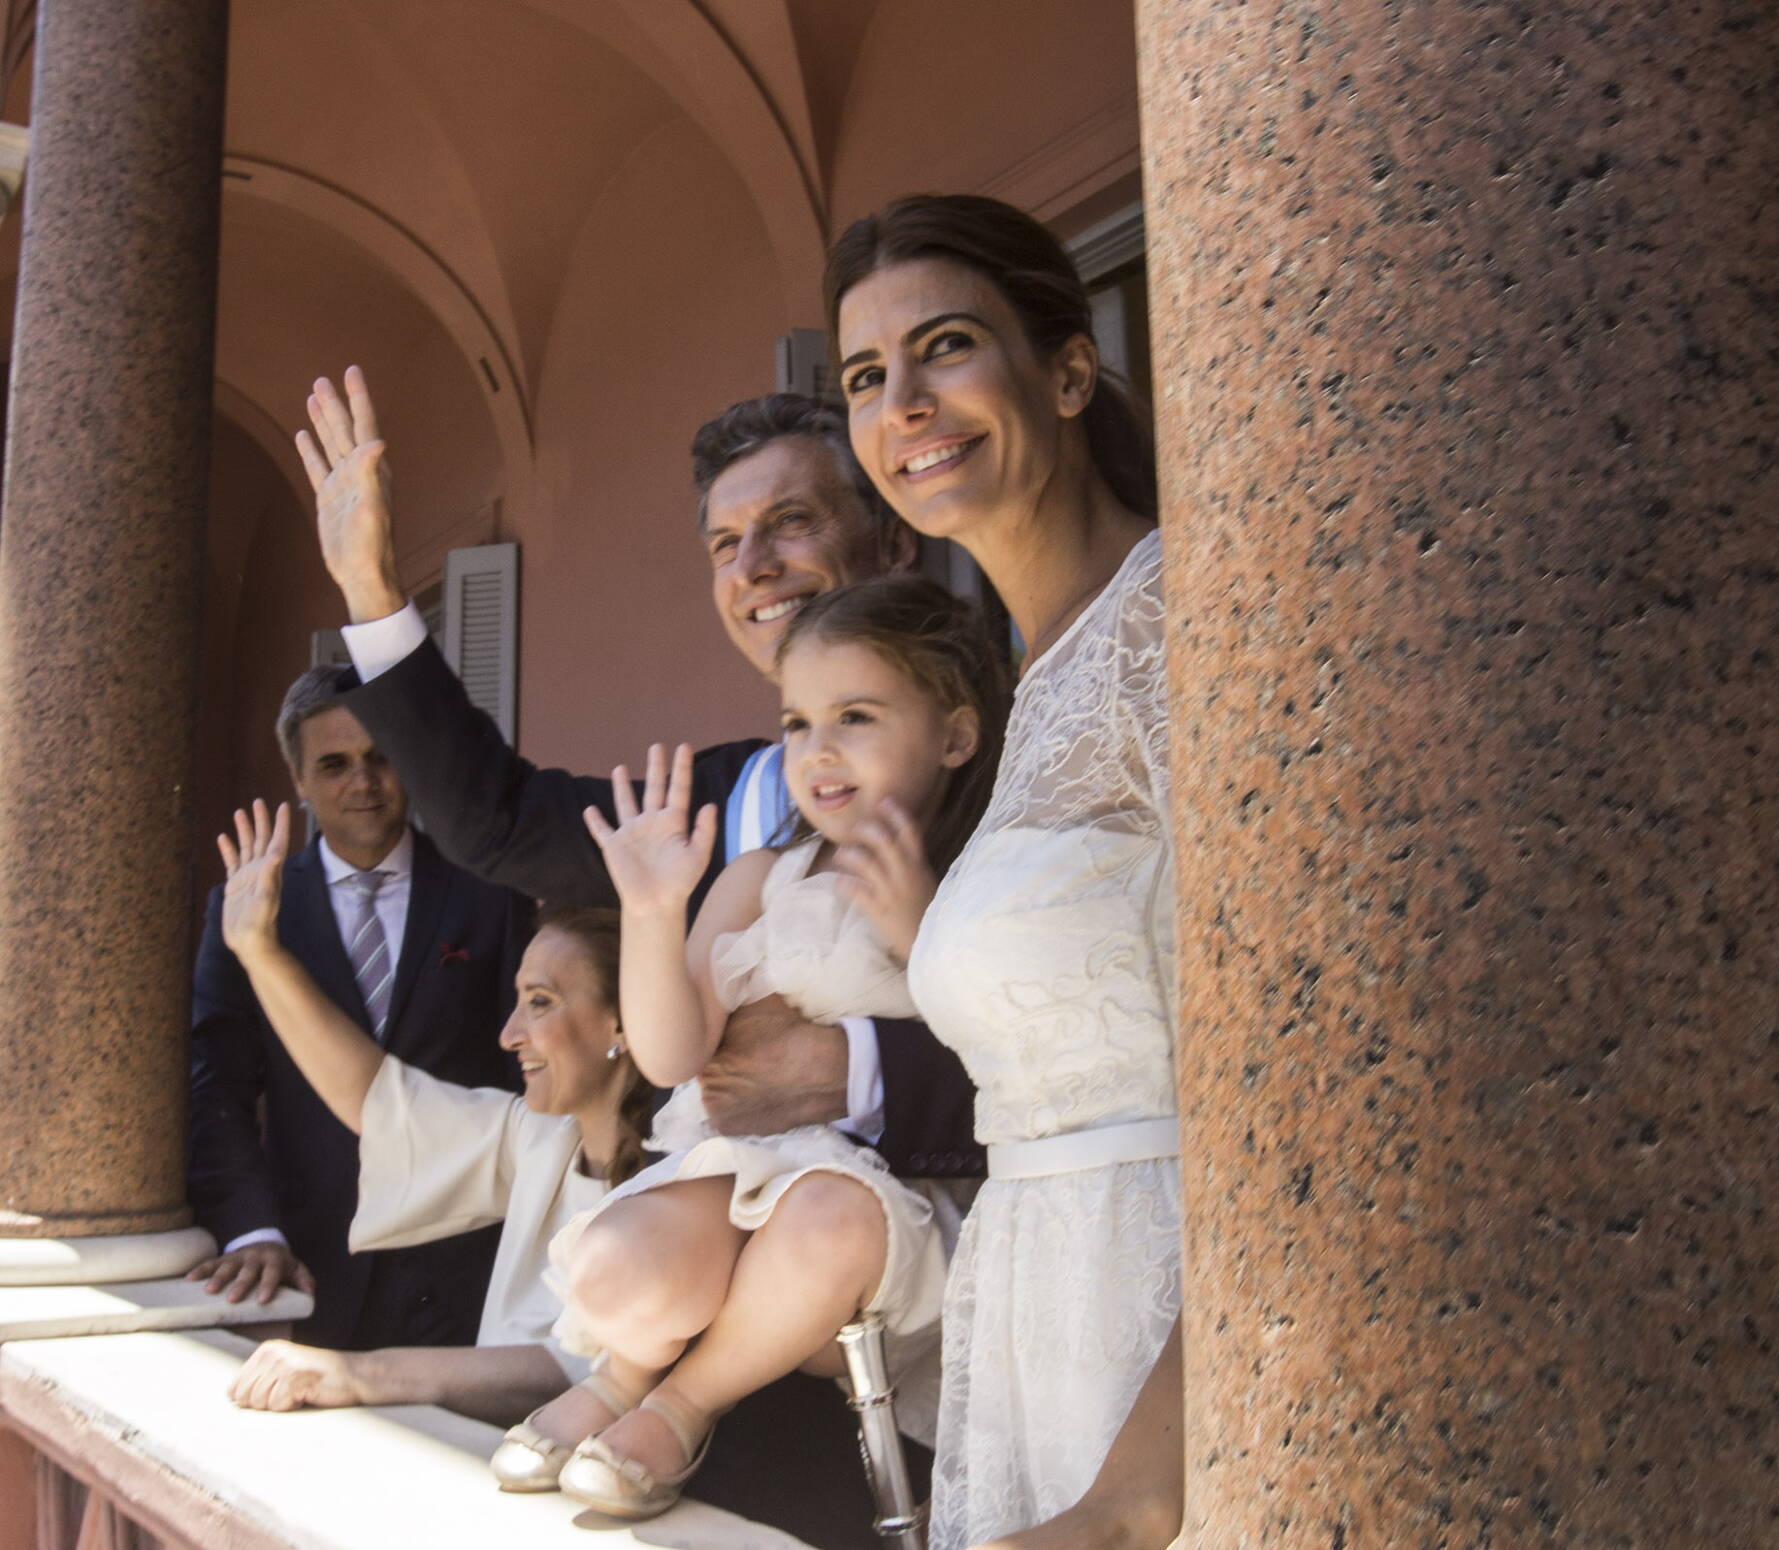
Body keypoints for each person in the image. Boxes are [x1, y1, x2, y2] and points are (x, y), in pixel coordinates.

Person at [297, 372, 981, 1178]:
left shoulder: (994, 776)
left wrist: (858, 1068)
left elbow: (1084, 1042)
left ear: (894, 543)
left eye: (791, 521)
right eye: (725, 544)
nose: (753, 566)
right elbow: (495, 821)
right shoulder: (692, 815)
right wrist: (372, 591)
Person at [826, 194, 1183, 1550]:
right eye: (867, 378)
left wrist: (1134, 1498)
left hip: (1172, 1354)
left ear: (1069, 371)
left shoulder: (1174, 624)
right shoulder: (1028, 682)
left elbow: (1312, 1079)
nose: (904, 403)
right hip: (1042, 1316)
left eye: (948, 347)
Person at [514, 576, 1010, 1521]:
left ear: (954, 734)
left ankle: (679, 1404)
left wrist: (919, 933)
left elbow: (996, 1042)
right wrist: (654, 916)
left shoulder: (975, 876)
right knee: (613, 1269)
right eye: (795, 723)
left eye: (855, 716)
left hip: (876, 1212)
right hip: (738, 1172)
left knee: (828, 1219)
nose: (817, 751)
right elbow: (669, 1058)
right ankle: (623, 1371)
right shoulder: (756, 877)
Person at [209, 809, 643, 1436]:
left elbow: (587, 1369)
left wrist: (359, 1374)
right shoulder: (542, 1136)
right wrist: (258, 951)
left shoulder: (685, 1170)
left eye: (540, 1003)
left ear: (622, 1021)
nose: (509, 1035)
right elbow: (378, 1100)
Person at [186, 668, 531, 1351]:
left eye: (382, 757)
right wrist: (253, 1228)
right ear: (299, 778)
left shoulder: (490, 893)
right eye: (335, 764)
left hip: (468, 1264)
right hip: (311, 1267)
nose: (363, 784)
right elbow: (214, 1083)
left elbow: (529, 1073)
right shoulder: (251, 908)